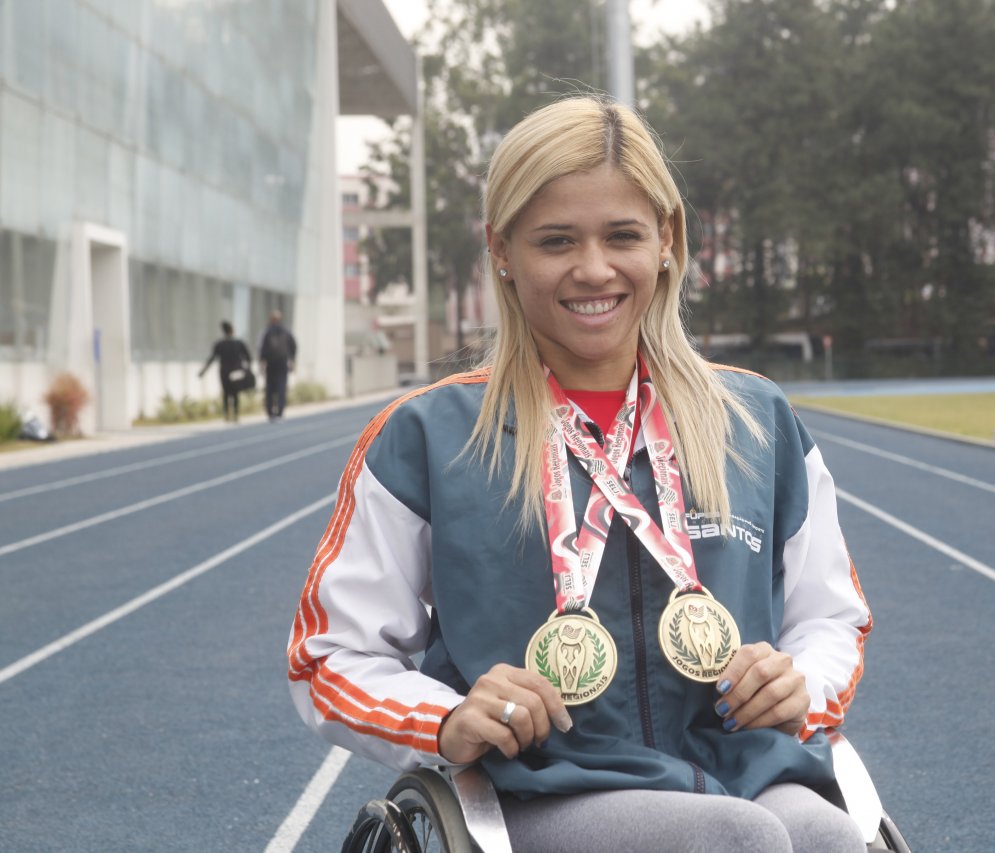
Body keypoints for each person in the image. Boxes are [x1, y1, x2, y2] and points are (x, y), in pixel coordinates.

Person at [286, 97, 872, 852]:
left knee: (825, 838)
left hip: (744, 766)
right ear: (500, 248)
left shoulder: (756, 419)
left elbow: (832, 619)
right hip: (543, 784)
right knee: (733, 841)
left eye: (622, 235)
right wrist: (446, 718)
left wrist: (801, 685)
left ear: (666, 239)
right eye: (556, 240)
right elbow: (330, 655)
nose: (593, 268)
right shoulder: (427, 438)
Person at [197, 321, 253, 422]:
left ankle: (227, 415)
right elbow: (248, 357)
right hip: (236, 372)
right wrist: (247, 369)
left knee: (226, 393)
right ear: (232, 330)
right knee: (235, 393)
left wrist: (203, 371)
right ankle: (235, 415)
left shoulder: (219, 344)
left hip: (224, 372)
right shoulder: (238, 343)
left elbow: (212, 358)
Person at [258, 310, 296, 421]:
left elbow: (262, 348)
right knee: (281, 387)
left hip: (271, 363)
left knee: (270, 388)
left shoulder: (266, 332)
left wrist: (262, 362)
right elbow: (293, 346)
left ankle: (270, 412)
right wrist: (292, 360)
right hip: (282, 362)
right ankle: (279, 411)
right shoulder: (286, 331)